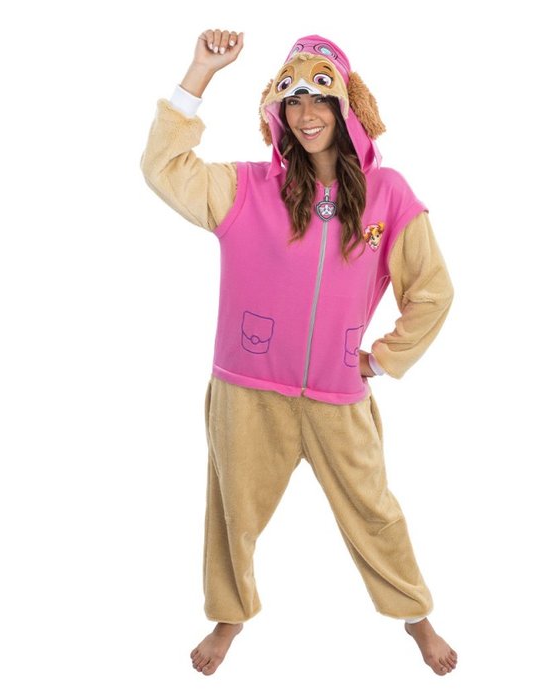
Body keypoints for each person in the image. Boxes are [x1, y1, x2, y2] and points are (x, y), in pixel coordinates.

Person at [140, 28, 457, 677]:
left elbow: (432, 291)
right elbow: (163, 168)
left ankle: (415, 616)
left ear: (346, 107)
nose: (307, 112)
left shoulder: (386, 196)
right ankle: (229, 615)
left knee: (374, 511)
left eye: (320, 97)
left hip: (338, 395)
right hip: (247, 389)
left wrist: (382, 358)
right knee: (232, 511)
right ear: (277, 112)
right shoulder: (246, 189)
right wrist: (200, 71)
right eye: (292, 99)